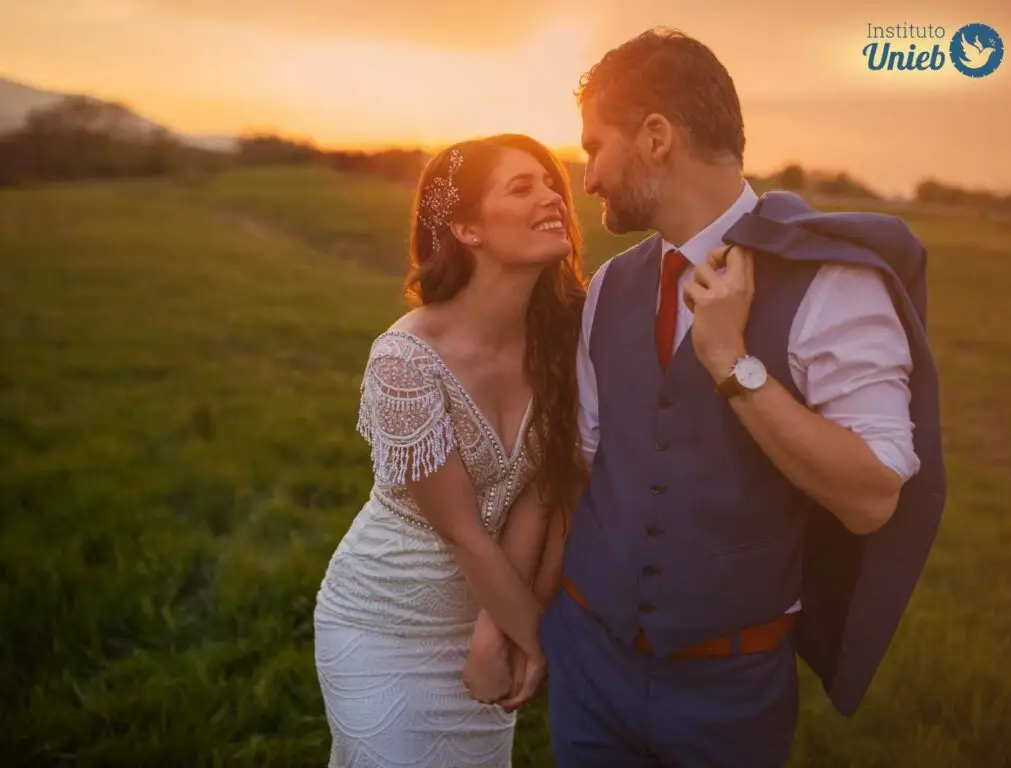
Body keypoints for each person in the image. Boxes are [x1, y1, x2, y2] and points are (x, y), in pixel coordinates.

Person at [521, 27, 942, 766]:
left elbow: (872, 497)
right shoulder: (610, 288)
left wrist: (733, 364)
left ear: (656, 136)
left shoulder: (836, 284)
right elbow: (584, 472)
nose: (586, 179)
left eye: (595, 147)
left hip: (729, 694)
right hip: (589, 662)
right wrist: (525, 621)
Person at [312, 133, 588, 768]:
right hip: (384, 622)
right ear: (466, 228)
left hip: (486, 622)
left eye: (551, 184)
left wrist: (504, 629)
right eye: (522, 187)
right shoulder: (405, 359)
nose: (552, 196)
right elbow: (465, 530)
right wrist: (536, 642)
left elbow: (547, 491)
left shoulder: (563, 335)